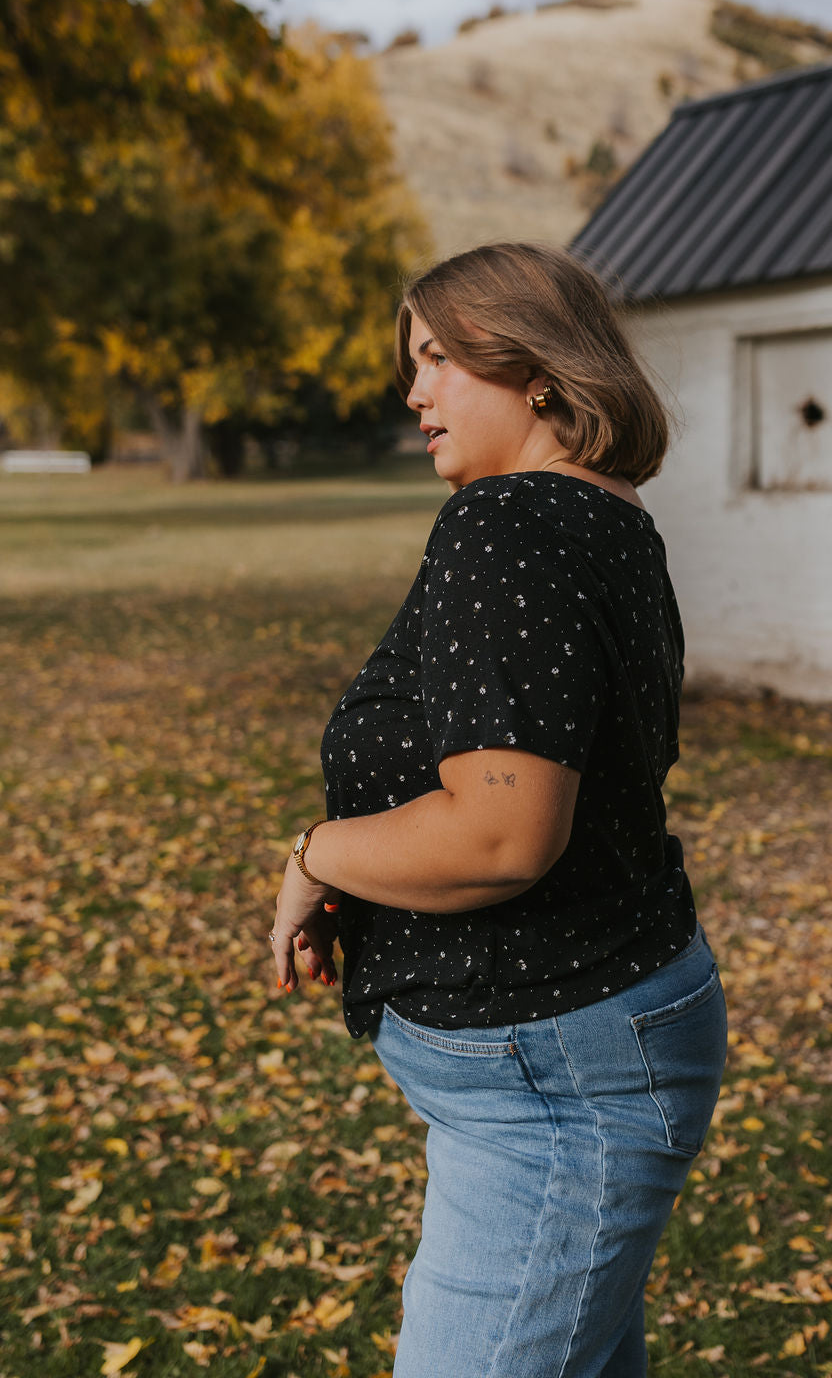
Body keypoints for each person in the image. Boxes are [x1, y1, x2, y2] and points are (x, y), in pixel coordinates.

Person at [269, 242, 728, 1378]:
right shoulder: (609, 518)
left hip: (552, 1087)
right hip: (583, 1037)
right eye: (408, 363)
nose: (411, 390)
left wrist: (315, 852)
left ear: (534, 367)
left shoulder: (509, 526)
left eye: (435, 359)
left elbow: (498, 833)